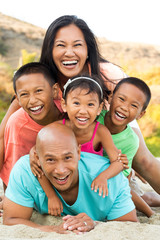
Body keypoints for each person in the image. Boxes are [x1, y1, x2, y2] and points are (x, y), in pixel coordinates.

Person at [0, 15, 160, 194]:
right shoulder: (41, 81)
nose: (69, 52)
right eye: (61, 45)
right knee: (17, 122)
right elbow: (3, 133)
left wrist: (127, 163)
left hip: (106, 133)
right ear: (50, 50)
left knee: (143, 160)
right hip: (64, 144)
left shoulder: (107, 75)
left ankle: (134, 189)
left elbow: (130, 124)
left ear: (87, 49)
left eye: (77, 45)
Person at [3, 123, 138, 234]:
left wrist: (94, 223)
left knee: (144, 198)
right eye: (50, 160)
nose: (61, 170)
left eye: (67, 158)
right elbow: (11, 219)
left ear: (78, 152)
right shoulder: (25, 171)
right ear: (37, 158)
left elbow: (130, 226)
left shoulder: (111, 179)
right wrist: (50, 229)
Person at [31, 75, 129, 216]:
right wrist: (51, 196)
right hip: (63, 182)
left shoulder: (100, 131)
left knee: (126, 189)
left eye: (90, 105)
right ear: (64, 105)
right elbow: (39, 157)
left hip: (92, 183)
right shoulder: (57, 128)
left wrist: (103, 176)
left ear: (99, 108)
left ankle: (149, 211)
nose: (83, 111)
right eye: (76, 103)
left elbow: (119, 163)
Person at [97, 77, 160, 217]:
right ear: (111, 97)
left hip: (114, 179)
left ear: (141, 114)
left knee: (138, 198)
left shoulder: (131, 141)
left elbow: (123, 181)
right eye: (121, 99)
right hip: (92, 174)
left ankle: (152, 204)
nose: (124, 107)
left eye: (134, 106)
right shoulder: (94, 118)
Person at [0, 62, 62, 192]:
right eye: (24, 94)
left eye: (38, 91)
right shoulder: (17, 124)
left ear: (54, 90)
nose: (32, 100)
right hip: (35, 186)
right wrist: (9, 198)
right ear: (17, 98)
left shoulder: (67, 110)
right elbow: (12, 169)